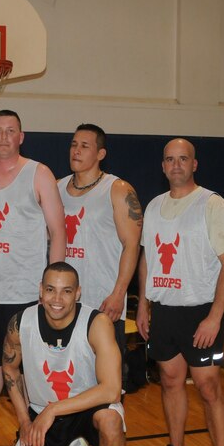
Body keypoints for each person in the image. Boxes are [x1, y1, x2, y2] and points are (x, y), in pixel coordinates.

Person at [136, 138, 224, 446]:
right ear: (162, 166)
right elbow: (146, 258)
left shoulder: (213, 205)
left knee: (209, 388)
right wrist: (144, 305)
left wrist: (215, 316)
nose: (176, 164)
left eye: (183, 159)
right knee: (170, 380)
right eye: (169, 159)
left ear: (195, 165)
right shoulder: (152, 207)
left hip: (201, 312)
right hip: (164, 309)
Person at [0, 109, 66, 446]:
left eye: (11, 131)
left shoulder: (39, 174)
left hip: (27, 291)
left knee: (32, 365)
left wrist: (53, 287)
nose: (4, 136)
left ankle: (41, 428)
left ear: (21, 137)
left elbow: (58, 231)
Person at [1, 262, 128, 446]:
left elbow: (111, 390)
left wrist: (53, 410)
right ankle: (73, 445)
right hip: (43, 411)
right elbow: (10, 368)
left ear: (78, 293)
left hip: (90, 407)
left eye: (66, 291)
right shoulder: (20, 323)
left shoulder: (97, 323)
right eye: (50, 290)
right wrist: (25, 421)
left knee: (110, 420)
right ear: (40, 291)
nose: (57, 299)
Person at [57, 123, 143, 389]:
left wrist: (119, 293)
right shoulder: (56, 188)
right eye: (73, 144)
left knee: (107, 385)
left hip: (103, 303)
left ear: (101, 154)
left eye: (85, 146)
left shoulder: (117, 189)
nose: (76, 150)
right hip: (62, 304)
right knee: (65, 381)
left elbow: (133, 245)